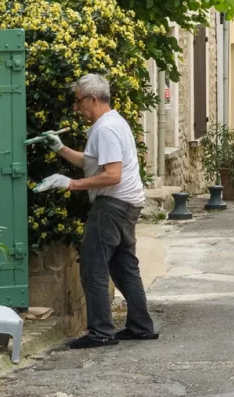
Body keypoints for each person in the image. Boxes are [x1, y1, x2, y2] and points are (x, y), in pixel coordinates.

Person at [35, 73, 158, 349]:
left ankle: (101, 331)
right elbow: (93, 163)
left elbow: (112, 174)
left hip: (112, 206)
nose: (76, 108)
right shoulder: (114, 122)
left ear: (92, 98)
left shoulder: (105, 129)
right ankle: (140, 326)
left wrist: (70, 184)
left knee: (93, 267)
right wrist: (60, 148)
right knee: (124, 267)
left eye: (79, 101)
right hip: (127, 204)